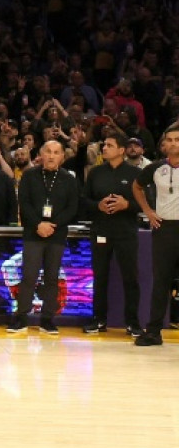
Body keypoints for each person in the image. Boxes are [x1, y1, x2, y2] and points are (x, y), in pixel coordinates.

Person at [6, 139, 79, 336]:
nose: (51, 156)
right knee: (28, 276)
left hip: (56, 234)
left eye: (56, 152)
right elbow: (24, 202)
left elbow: (72, 207)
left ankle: (47, 320)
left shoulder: (69, 179)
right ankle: (21, 317)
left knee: (52, 278)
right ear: (41, 154)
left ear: (62, 157)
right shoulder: (29, 176)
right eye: (48, 151)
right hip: (33, 232)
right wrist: (38, 224)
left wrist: (52, 225)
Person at [80, 130, 142, 336]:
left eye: (109, 145)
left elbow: (145, 203)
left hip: (125, 232)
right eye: (104, 145)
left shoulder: (135, 174)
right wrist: (98, 205)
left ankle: (132, 322)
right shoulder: (96, 173)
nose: (104, 148)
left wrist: (127, 204)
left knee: (130, 278)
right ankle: (99, 320)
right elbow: (84, 201)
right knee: (100, 277)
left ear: (122, 150)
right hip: (101, 230)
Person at [131, 122, 179, 346]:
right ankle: (153, 331)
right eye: (169, 140)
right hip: (165, 228)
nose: (172, 143)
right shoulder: (157, 168)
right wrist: (148, 211)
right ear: (163, 144)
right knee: (161, 281)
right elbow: (137, 186)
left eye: (177, 140)